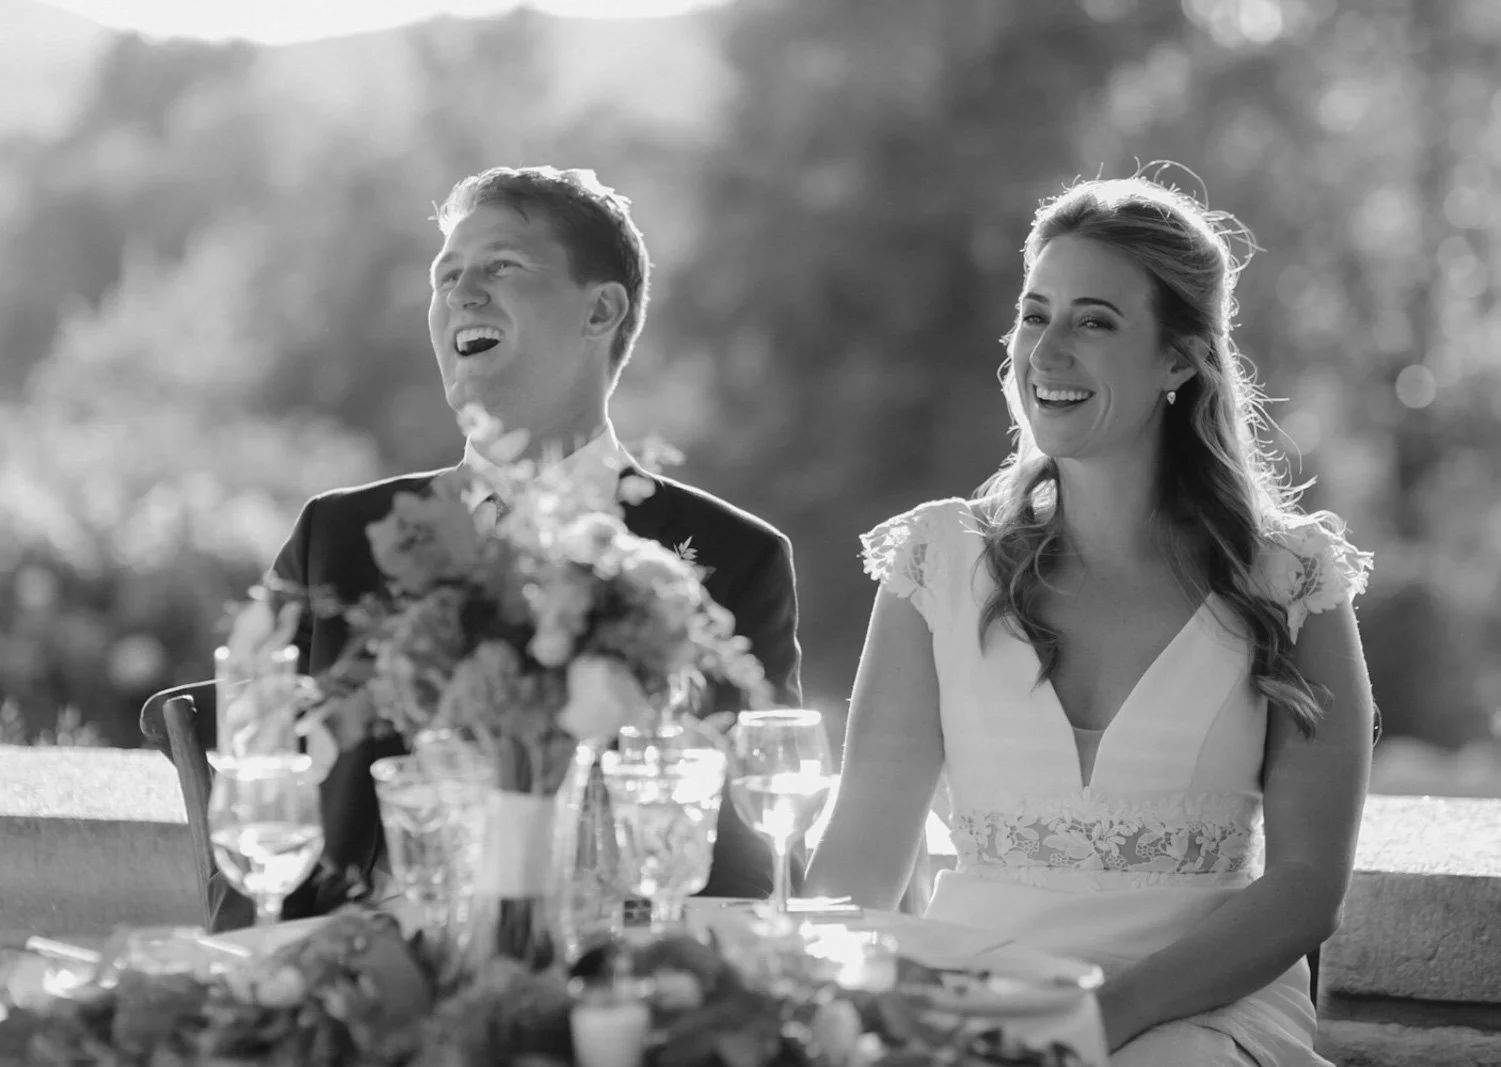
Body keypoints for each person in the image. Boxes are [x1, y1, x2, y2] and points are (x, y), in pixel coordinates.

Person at [804, 175, 1374, 1066]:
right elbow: (860, 857)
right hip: (975, 1000)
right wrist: (815, 1013)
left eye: (1095, 321)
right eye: (1036, 314)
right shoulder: (938, 564)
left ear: (1180, 359)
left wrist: (1100, 1020)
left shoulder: (1290, 578)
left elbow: (1307, 889)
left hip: (1199, 1015)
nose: (1048, 351)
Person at [143, 165, 803, 928]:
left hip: (624, 982)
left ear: (602, 309)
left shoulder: (734, 557)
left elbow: (746, 864)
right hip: (371, 982)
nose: (462, 293)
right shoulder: (342, 537)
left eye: (500, 267)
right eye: (446, 275)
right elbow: (264, 806)